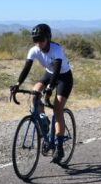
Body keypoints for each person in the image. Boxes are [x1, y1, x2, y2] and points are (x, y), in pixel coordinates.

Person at [11, 23, 74, 163]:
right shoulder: (34, 50)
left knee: (58, 109)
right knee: (34, 96)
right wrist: (17, 84)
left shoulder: (56, 49)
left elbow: (57, 69)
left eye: (41, 40)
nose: (38, 43)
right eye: (35, 40)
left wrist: (50, 88)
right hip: (49, 74)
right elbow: (26, 68)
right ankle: (43, 120)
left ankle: (59, 146)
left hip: (63, 77)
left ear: (48, 38)